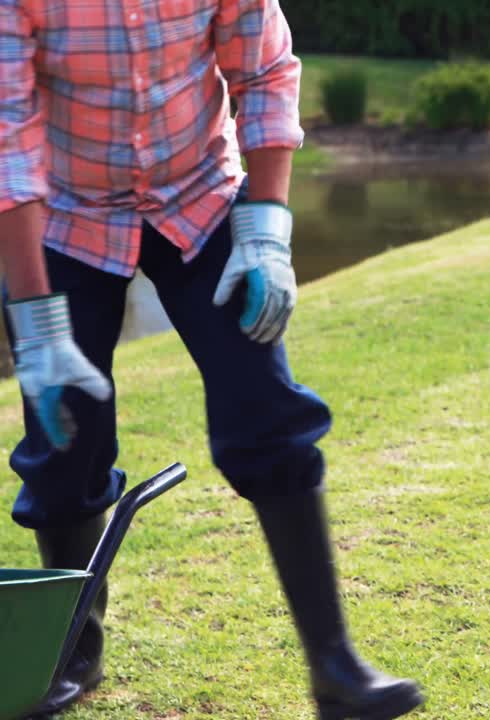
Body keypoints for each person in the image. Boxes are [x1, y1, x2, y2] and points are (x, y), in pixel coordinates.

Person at [0, 1, 423, 718]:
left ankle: (334, 665)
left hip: (199, 195)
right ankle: (68, 654)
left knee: (267, 411)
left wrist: (265, 230)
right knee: (66, 437)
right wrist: (35, 324)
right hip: (68, 215)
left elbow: (263, 72)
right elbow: (7, 137)